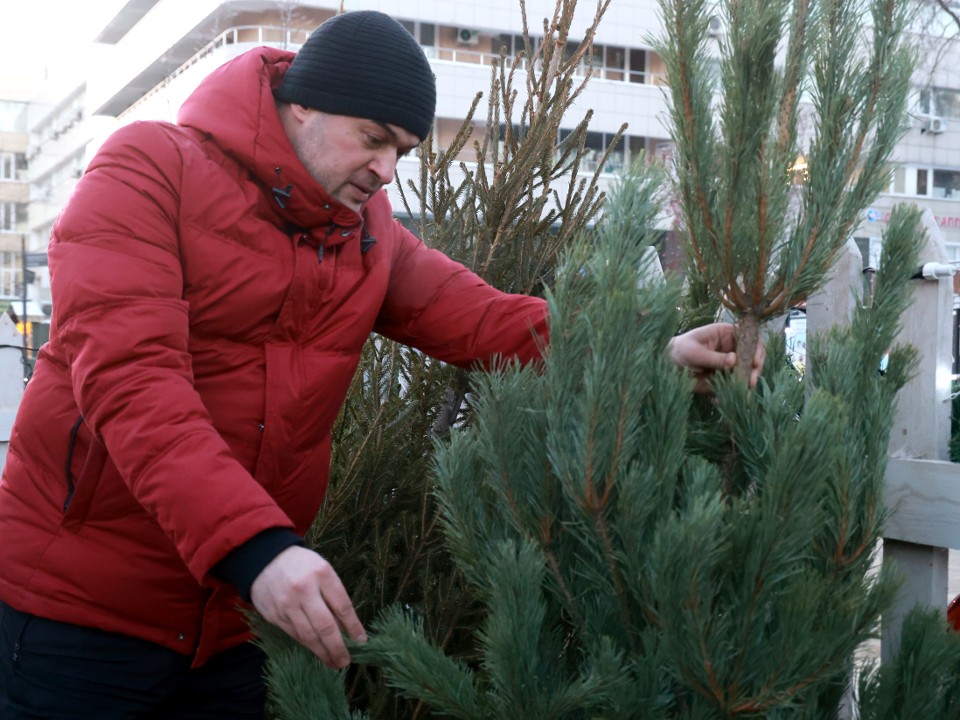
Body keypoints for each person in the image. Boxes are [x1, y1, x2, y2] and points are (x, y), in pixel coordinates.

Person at [0, 10, 764, 718]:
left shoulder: (364, 234)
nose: (387, 169)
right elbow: (133, 384)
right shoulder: (145, 170)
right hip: (79, 612)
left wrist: (646, 352)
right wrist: (257, 548)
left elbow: (486, 320)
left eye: (401, 148)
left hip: (237, 623)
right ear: (303, 104)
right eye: (373, 137)